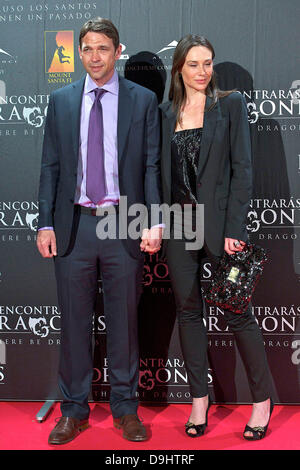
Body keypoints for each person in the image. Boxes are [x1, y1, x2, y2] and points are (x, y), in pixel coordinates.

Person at [37, 17, 162, 445]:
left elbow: (150, 166)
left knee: (124, 322)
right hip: (74, 224)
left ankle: (126, 409)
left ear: (117, 51)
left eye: (102, 49)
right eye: (87, 49)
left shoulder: (142, 100)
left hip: (123, 221)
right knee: (74, 323)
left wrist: (154, 221)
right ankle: (73, 410)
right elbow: (50, 166)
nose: (94, 57)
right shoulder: (62, 100)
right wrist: (46, 222)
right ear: (80, 53)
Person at [159, 34, 273, 440]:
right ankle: (199, 400)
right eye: (194, 64)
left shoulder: (231, 104)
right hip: (178, 227)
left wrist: (234, 230)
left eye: (208, 63)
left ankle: (261, 402)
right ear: (179, 68)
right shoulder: (164, 111)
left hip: (221, 228)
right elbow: (160, 175)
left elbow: (243, 170)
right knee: (188, 313)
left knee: (237, 311)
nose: (203, 71)